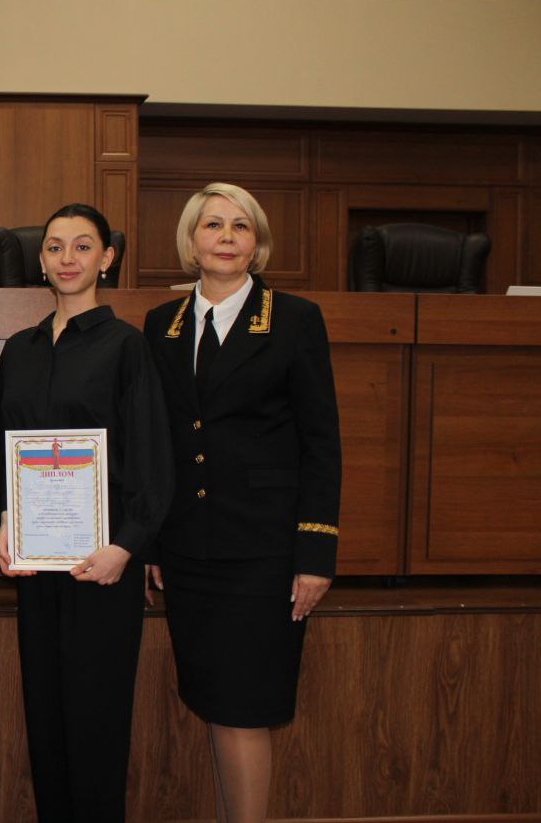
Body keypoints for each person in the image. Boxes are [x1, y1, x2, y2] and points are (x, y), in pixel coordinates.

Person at [142, 183, 341, 823]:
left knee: (244, 709)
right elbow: (161, 441)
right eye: (212, 225)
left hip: (263, 551)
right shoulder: (162, 324)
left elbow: (321, 442)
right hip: (189, 549)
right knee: (214, 702)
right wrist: (154, 542)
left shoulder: (295, 319)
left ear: (257, 244)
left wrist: (315, 554)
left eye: (240, 226)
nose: (226, 236)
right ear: (190, 241)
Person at [0, 203, 173, 822]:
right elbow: (1, 447)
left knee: (96, 723)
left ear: (107, 257)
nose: (66, 258)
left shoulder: (127, 347)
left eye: (81, 246)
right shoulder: (19, 350)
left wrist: (126, 547)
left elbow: (151, 457)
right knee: (45, 717)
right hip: (36, 564)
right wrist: (4, 520)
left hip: (104, 565)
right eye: (54, 247)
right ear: (40, 261)